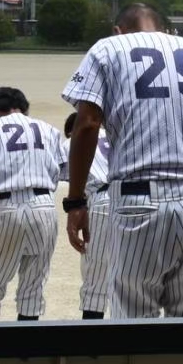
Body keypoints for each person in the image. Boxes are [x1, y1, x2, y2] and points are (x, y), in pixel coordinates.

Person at [63, 2, 183, 317]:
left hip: (139, 200)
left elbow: (88, 124)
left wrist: (76, 201)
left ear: (118, 30)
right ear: (162, 27)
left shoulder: (108, 49)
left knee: (133, 322)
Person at [0, 86, 66, 321]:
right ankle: (25, 355)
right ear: (24, 107)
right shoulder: (49, 130)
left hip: (8, 207)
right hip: (44, 207)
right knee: (34, 286)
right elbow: (63, 170)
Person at [64, 111, 114, 319]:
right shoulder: (115, 136)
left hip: (101, 203)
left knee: (95, 282)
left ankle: (91, 346)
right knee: (134, 277)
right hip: (132, 197)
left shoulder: (72, 142)